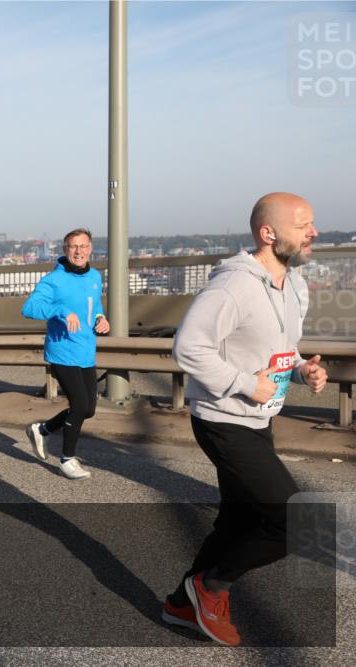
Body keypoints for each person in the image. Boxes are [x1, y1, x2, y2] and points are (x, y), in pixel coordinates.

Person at [161, 193, 327, 646]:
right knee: (294, 522)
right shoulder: (232, 285)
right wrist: (241, 383)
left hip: (260, 419)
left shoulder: (294, 285)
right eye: (303, 225)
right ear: (268, 234)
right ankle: (209, 587)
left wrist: (300, 369)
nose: (314, 232)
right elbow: (188, 348)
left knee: (237, 521)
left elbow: (278, 346)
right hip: (224, 420)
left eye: (313, 223)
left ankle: (180, 604)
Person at [22, 229, 110, 479]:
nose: (79, 251)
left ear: (91, 248)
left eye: (83, 246)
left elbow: (96, 306)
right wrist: (61, 311)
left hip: (86, 352)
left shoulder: (94, 277)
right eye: (73, 246)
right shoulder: (53, 280)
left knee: (89, 409)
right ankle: (67, 459)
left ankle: (42, 429)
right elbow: (29, 308)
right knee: (80, 405)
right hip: (61, 352)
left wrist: (101, 319)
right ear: (65, 250)